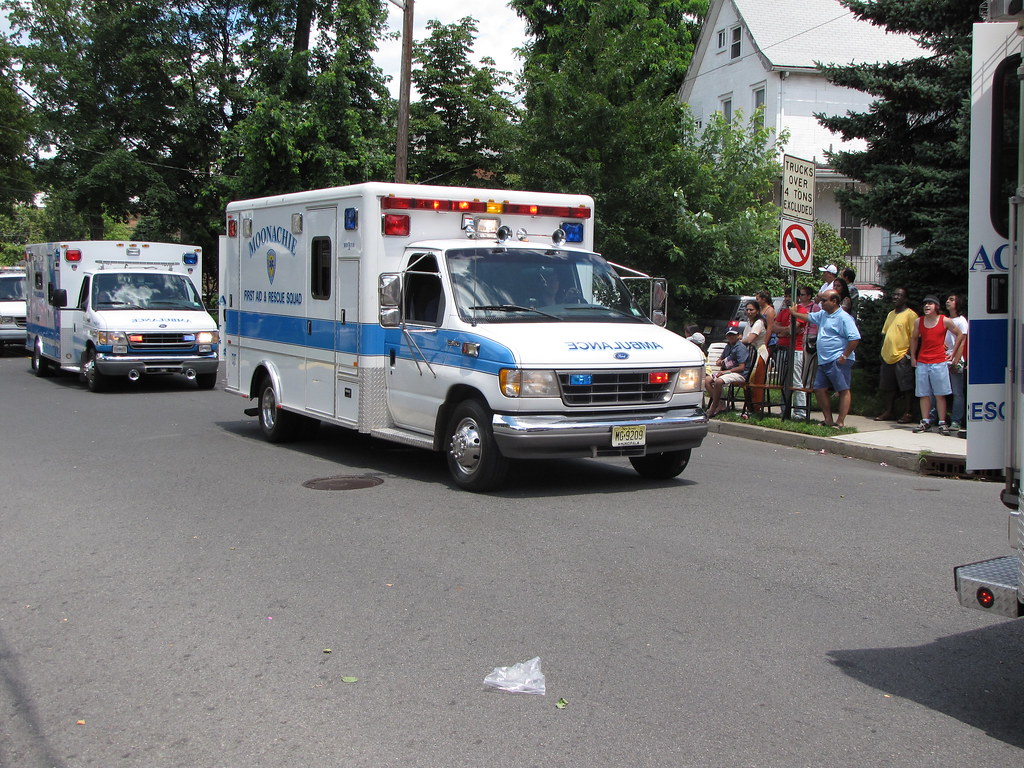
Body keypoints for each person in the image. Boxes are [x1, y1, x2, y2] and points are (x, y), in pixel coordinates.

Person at [790, 289, 860, 428]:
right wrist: (794, 313)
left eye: (824, 300)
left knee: (842, 390)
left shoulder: (844, 318)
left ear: (834, 301)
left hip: (838, 359)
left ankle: (840, 422)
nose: (821, 303)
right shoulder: (823, 314)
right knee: (819, 389)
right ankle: (828, 419)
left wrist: (844, 355)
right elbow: (808, 317)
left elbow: (855, 338)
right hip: (824, 360)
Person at [910, 296, 963, 435]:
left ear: (936, 306)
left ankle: (942, 422)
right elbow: (914, 338)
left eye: (930, 304)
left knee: (940, 394)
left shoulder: (944, 320)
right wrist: (913, 357)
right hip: (922, 361)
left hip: (939, 361)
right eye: (925, 304)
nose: (926, 306)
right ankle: (925, 421)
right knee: (923, 393)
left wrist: (953, 353)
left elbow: (960, 334)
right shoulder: (919, 322)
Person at [875, 287, 917, 423]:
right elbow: (885, 333)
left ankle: (908, 412)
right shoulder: (890, 314)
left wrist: (909, 355)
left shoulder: (911, 315)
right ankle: (889, 411)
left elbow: (915, 337)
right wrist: (882, 351)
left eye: (899, 295)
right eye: (894, 294)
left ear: (905, 298)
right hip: (887, 356)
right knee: (888, 387)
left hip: (902, 356)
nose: (895, 297)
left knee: (906, 387)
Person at [774, 291, 809, 419]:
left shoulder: (801, 310)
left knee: (795, 381)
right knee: (783, 381)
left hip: (795, 349)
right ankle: (785, 410)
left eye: (790, 296)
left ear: (798, 297)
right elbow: (774, 328)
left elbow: (794, 328)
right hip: (782, 349)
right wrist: (785, 331)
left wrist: (786, 330)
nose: (788, 298)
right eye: (786, 296)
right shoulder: (783, 312)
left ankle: (800, 412)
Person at [704, 327, 749, 416]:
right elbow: (721, 358)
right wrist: (719, 361)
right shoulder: (728, 346)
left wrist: (726, 372)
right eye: (729, 335)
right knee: (706, 380)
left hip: (739, 374)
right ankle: (720, 403)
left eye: (733, 335)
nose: (731, 337)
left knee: (718, 381)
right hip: (726, 372)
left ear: (738, 336)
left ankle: (713, 407)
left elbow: (741, 367)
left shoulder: (740, 348)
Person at [945, 293, 968, 432]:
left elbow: (962, 343)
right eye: (948, 299)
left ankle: (956, 420)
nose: (948, 301)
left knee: (957, 392)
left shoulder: (961, 321)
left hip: (955, 359)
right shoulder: (945, 320)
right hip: (943, 359)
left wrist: (956, 360)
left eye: (951, 300)